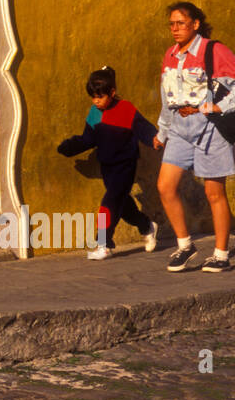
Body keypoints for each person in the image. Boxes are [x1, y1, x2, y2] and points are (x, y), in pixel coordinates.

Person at [153, 2, 235, 272]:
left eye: (180, 23)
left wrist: (218, 106)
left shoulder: (214, 51)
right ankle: (186, 246)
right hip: (179, 127)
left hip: (210, 128)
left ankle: (221, 254)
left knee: (214, 192)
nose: (175, 29)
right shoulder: (170, 55)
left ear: (195, 24)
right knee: (165, 186)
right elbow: (167, 97)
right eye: (171, 24)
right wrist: (162, 130)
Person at [57, 67, 160, 260]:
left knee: (109, 202)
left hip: (126, 166)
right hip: (107, 168)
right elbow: (88, 139)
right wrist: (69, 147)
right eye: (93, 97)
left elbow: (143, 128)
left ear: (112, 93)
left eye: (100, 97)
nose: (96, 101)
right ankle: (146, 225)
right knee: (123, 206)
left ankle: (104, 244)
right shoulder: (94, 113)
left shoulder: (126, 109)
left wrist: (154, 138)